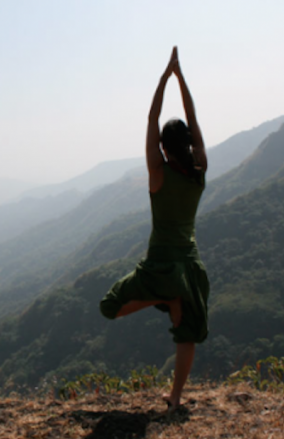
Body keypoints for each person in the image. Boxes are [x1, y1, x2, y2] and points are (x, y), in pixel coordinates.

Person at [99, 46, 209, 411]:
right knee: (186, 333)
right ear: (190, 144)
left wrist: (165, 78)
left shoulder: (157, 175)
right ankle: (176, 398)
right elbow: (193, 119)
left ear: (163, 147)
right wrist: (183, 80)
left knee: (111, 306)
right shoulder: (198, 173)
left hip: (160, 263)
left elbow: (151, 120)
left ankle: (162, 297)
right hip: (189, 265)